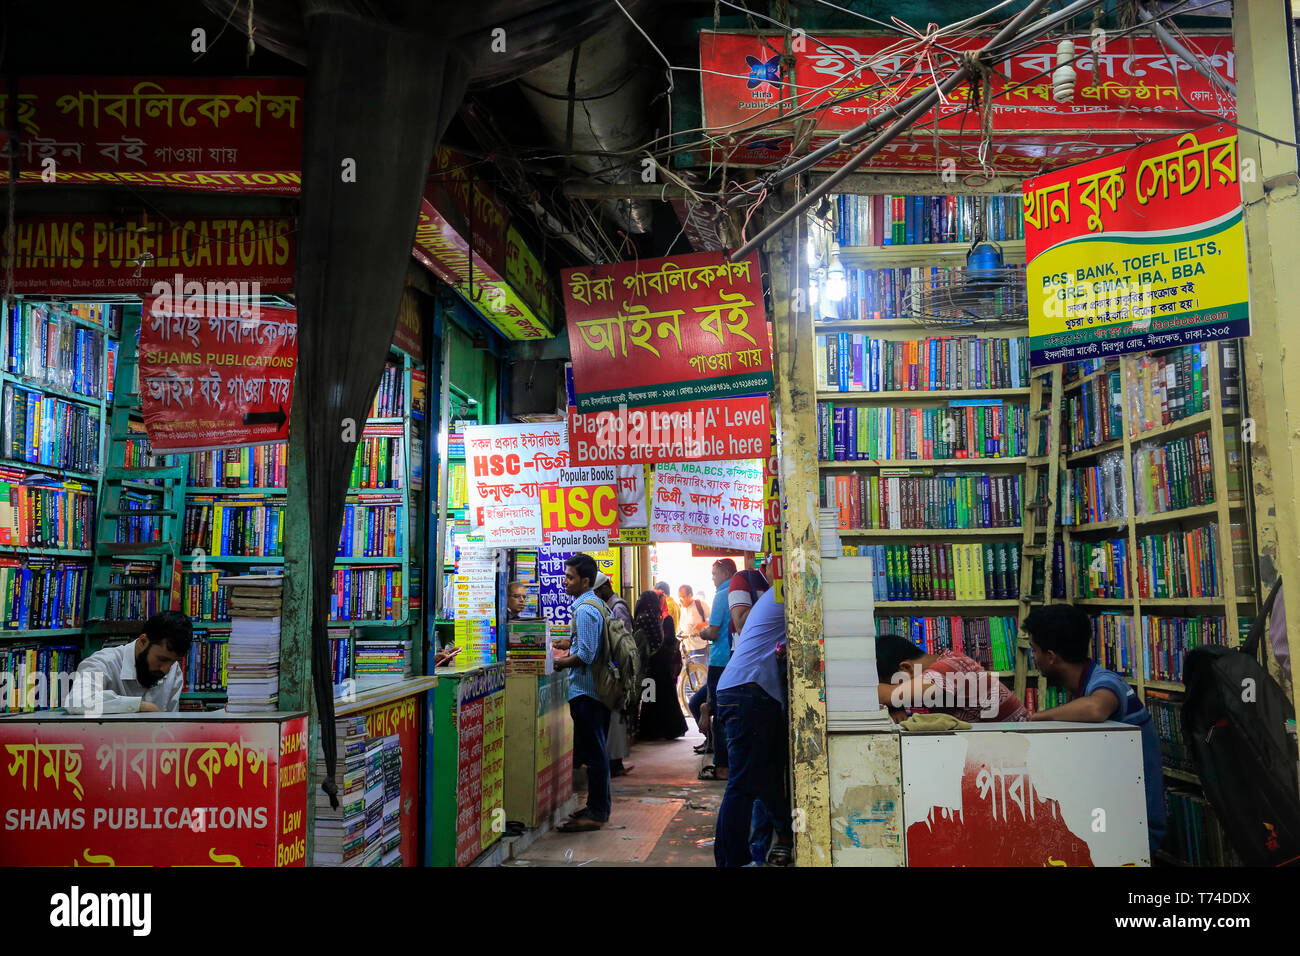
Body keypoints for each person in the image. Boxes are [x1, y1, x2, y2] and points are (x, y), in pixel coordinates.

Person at [1024, 604, 1168, 854]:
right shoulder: (1084, 682)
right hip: (1118, 817)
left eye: (1034, 651)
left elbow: (1096, 709)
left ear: (1051, 656)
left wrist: (1034, 719)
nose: (1032, 658)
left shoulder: (1104, 681)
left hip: (1135, 830)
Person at [714, 587, 793, 866]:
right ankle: (731, 860)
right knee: (742, 784)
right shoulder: (788, 592)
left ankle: (785, 834)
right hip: (747, 692)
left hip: (744, 690)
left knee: (763, 779)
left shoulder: (776, 596)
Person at [552, 553, 611, 832]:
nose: (565, 582)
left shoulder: (585, 609)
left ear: (585, 581)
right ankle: (594, 808)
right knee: (594, 753)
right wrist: (568, 641)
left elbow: (586, 655)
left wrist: (560, 663)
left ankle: (597, 813)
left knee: (595, 755)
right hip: (593, 692)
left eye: (570, 577)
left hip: (587, 692)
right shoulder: (594, 604)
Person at [874, 634, 1029, 722]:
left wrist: (891, 698)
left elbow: (888, 695)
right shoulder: (947, 661)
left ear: (906, 668)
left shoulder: (948, 668)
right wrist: (894, 707)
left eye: (894, 683)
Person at [65, 611, 192, 715]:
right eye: (162, 659)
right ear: (143, 642)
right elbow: (77, 700)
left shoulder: (174, 670)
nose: (166, 670)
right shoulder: (103, 662)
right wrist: (139, 706)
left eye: (173, 661)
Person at [697, 558, 737, 779]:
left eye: (714, 574)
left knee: (719, 714)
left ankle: (722, 766)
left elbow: (713, 632)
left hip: (719, 661)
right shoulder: (738, 592)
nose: (713, 578)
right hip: (732, 660)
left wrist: (702, 633)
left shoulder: (722, 594)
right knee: (721, 710)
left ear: (725, 572)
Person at [594, 571, 635, 777]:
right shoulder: (610, 605)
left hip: (617, 671)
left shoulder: (617, 607)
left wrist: (616, 667)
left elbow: (622, 640)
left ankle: (615, 763)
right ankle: (614, 762)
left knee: (616, 717)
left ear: (603, 589)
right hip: (614, 668)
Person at [634, 590, 687, 740]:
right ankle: (670, 729)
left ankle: (650, 730)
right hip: (661, 664)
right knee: (664, 697)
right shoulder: (654, 616)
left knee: (649, 698)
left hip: (650, 665)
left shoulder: (643, 617)